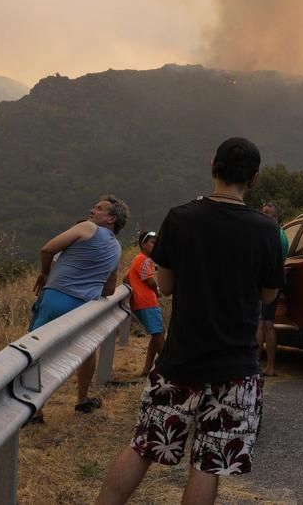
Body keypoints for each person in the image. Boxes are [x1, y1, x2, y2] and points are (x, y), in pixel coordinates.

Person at [96, 137, 284, 505]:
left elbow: (163, 286)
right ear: (254, 179)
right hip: (236, 366)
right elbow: (268, 296)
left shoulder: (181, 218)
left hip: (180, 360)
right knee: (209, 464)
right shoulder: (266, 231)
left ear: (212, 166)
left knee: (144, 446)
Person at [30, 195, 129, 416]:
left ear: (111, 218)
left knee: (38, 351)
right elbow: (110, 289)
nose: (91, 210)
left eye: (99, 208)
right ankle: (82, 400)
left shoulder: (87, 228)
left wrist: (46, 272)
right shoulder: (116, 247)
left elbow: (47, 249)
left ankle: (36, 411)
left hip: (57, 297)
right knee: (86, 350)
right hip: (85, 308)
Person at [256, 203, 289, 377]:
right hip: (276, 282)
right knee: (267, 324)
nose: (263, 216)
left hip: (267, 282)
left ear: (276, 217)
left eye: (267, 214)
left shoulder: (271, 234)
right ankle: (269, 365)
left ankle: (263, 365)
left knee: (264, 325)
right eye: (262, 213)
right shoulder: (283, 235)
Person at [125, 230, 164, 377]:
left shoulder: (137, 259)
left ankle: (147, 369)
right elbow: (149, 280)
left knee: (157, 334)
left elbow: (126, 279)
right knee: (159, 335)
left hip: (140, 302)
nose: (156, 245)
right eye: (153, 243)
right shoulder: (145, 260)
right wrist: (157, 291)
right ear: (143, 244)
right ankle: (169, 369)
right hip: (147, 302)